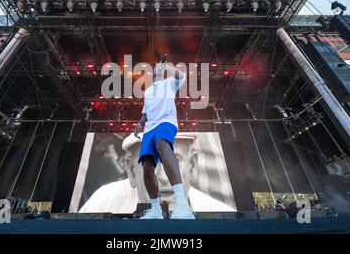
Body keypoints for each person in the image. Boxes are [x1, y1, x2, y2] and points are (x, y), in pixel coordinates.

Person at [78, 132, 235, 214]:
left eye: (175, 159)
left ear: (192, 166)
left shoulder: (225, 219)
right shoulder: (103, 203)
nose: (162, 176)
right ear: (131, 170)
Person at [132, 59, 195, 219]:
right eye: (155, 69)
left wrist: (167, 66)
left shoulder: (169, 82)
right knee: (147, 165)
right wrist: (139, 124)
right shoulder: (148, 91)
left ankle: (182, 205)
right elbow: (145, 113)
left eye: (159, 68)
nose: (157, 69)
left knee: (162, 145)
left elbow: (181, 76)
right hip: (149, 128)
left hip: (166, 122)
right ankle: (155, 211)